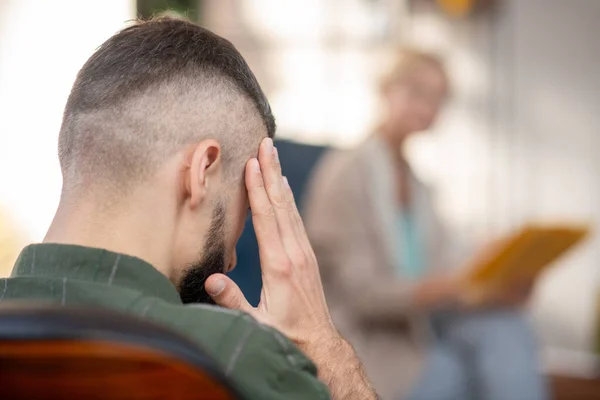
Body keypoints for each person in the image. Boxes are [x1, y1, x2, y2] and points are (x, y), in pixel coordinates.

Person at [0, 17, 378, 400]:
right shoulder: (235, 359)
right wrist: (323, 347)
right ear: (202, 170)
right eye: (244, 208)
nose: (230, 259)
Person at [304, 49, 548, 400]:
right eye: (418, 91)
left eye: (439, 97)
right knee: (475, 367)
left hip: (421, 325)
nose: (429, 105)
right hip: (371, 339)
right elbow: (362, 295)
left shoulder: (418, 185)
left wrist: (495, 283)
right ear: (386, 90)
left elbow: (446, 265)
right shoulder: (344, 173)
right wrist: (454, 286)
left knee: (508, 327)